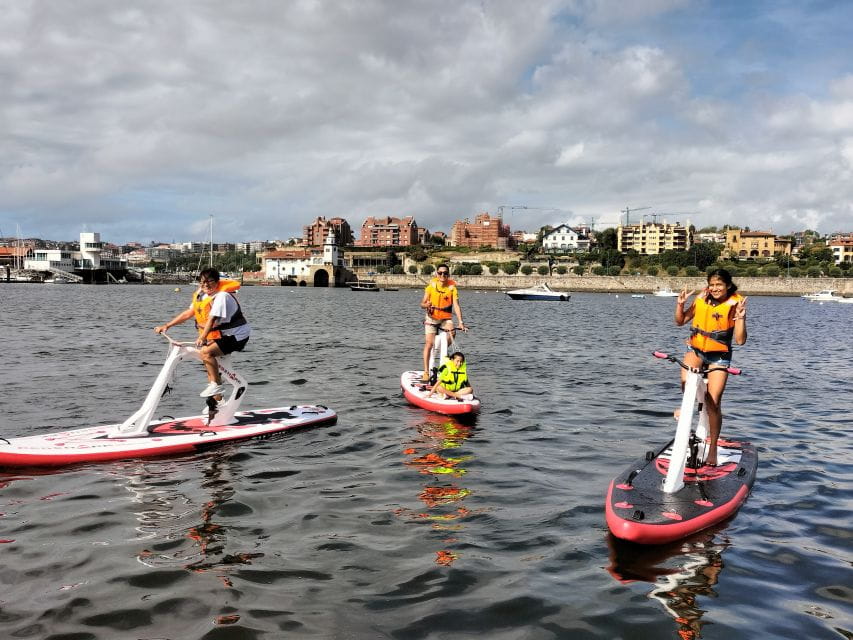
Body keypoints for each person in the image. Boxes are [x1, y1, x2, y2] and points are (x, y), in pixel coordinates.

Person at [674, 268, 747, 466]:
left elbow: (740, 340)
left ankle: (713, 447)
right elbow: (680, 321)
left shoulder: (735, 304)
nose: (715, 288)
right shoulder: (701, 299)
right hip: (696, 349)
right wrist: (680, 304)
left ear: (728, 286)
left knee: (713, 402)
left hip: (719, 355)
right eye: (712, 285)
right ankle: (688, 404)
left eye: (719, 285)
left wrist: (740, 317)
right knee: (685, 382)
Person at [154, 268, 252, 397]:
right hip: (220, 334)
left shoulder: (222, 296)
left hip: (237, 335)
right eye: (202, 282)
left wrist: (202, 337)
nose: (205, 285)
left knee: (206, 353)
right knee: (210, 369)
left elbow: (212, 320)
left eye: (209, 281)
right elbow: (188, 313)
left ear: (217, 282)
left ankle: (217, 387)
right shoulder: (202, 295)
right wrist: (167, 326)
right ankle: (217, 403)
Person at [420, 264, 466, 381]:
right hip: (432, 318)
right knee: (429, 344)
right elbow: (422, 304)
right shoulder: (431, 286)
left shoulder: (452, 288)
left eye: (445, 273)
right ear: (437, 274)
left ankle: (440, 350)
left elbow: (456, 305)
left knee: (452, 332)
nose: (442, 275)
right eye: (440, 273)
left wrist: (461, 322)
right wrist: (427, 305)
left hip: (445, 318)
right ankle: (426, 371)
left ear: (448, 275)